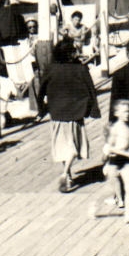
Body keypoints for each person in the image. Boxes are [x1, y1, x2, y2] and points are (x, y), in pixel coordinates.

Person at [42, 37, 98, 193]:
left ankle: (68, 175)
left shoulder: (51, 68)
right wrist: (93, 109)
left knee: (62, 146)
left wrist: (42, 108)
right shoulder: (80, 68)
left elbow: (42, 89)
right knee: (74, 147)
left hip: (57, 113)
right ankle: (65, 173)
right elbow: (90, 89)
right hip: (75, 112)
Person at [102, 99, 129, 224]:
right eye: (124, 112)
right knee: (110, 189)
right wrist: (106, 163)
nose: (127, 114)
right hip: (114, 160)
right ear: (117, 113)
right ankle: (95, 205)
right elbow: (110, 147)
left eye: (128, 112)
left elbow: (127, 145)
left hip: (125, 162)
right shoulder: (115, 128)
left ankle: (127, 215)